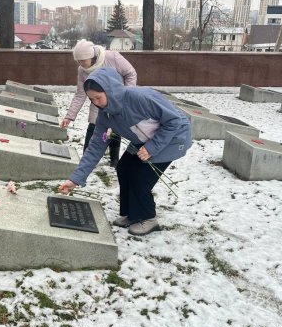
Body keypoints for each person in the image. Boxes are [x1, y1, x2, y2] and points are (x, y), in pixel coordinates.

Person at [58, 67, 192, 236]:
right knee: (123, 168)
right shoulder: (105, 115)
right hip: (144, 140)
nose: (96, 103)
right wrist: (75, 179)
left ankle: (149, 218)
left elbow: (174, 120)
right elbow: (95, 147)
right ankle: (132, 214)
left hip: (173, 138)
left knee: (139, 176)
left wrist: (152, 148)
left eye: (98, 97)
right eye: (92, 100)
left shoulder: (140, 98)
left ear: (110, 90)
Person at [60, 39, 137, 168]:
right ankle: (86, 161)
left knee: (115, 129)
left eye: (83, 60)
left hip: (118, 101)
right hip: (98, 105)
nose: (80, 64)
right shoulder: (82, 70)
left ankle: (114, 159)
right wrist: (69, 116)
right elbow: (80, 93)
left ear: (92, 56)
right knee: (93, 130)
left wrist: (126, 95)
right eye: (78, 61)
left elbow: (130, 74)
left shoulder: (112, 57)